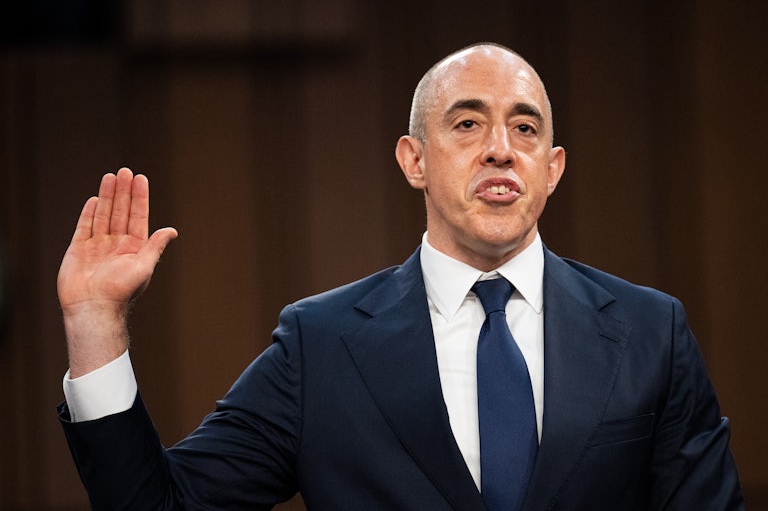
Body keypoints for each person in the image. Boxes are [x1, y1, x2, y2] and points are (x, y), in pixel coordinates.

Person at [58, 43, 744, 510]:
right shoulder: (319, 346)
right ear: (414, 161)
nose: (501, 149)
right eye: (468, 123)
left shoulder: (653, 332)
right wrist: (94, 324)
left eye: (525, 129)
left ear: (553, 169)